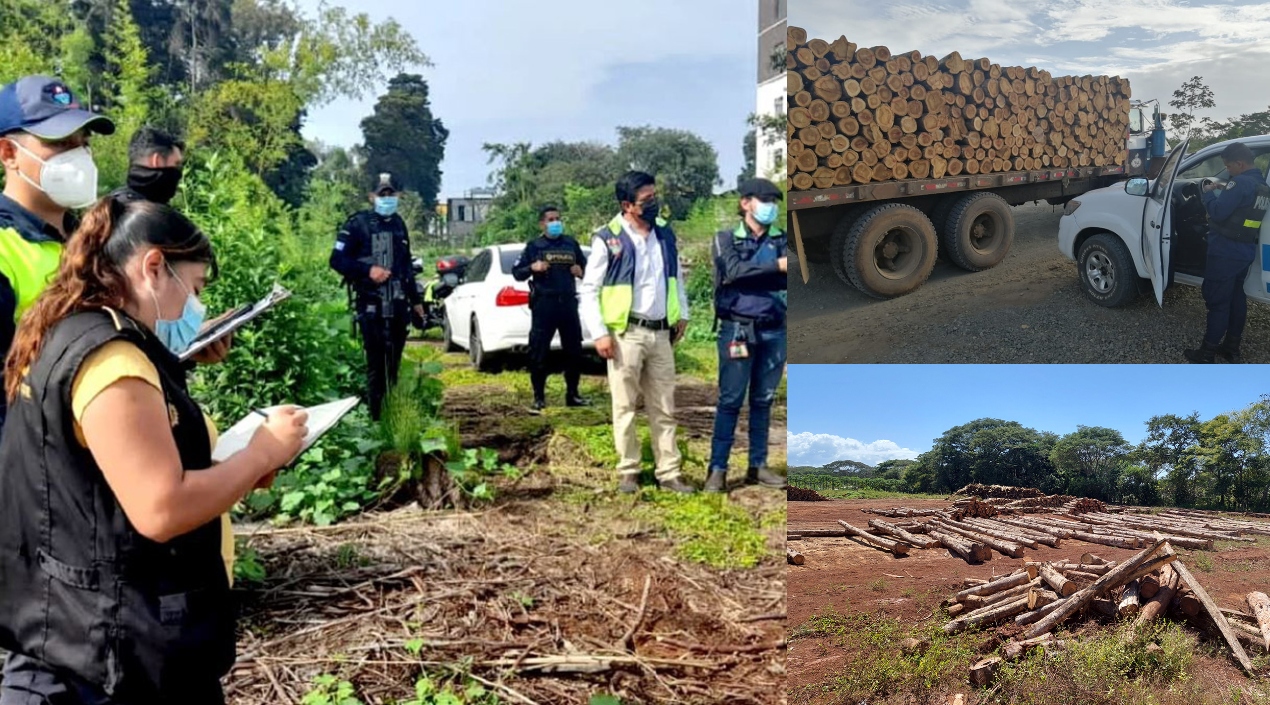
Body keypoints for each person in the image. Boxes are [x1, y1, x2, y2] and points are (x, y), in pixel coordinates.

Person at [0, 195, 309, 704]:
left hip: (75, 634)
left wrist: (231, 467)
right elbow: (162, 507)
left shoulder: (71, 330)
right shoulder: (113, 361)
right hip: (110, 660)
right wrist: (262, 453)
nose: (197, 305)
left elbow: (99, 482)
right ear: (153, 267)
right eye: (195, 288)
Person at [0, 75, 115, 434]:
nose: (79, 155)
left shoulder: (95, 238)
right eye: (61, 143)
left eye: (83, 143)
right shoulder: (5, 248)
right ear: (9, 153)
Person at [580, 171, 694, 494]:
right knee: (625, 406)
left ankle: (669, 472)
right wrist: (599, 333)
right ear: (627, 205)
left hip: (661, 335)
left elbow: (676, 279)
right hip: (625, 334)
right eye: (647, 200)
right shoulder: (608, 238)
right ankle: (629, 470)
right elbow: (589, 291)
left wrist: (682, 312)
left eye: (654, 197)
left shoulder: (664, 234)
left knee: (664, 406)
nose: (654, 203)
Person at [704, 178, 789, 492]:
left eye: (775, 201)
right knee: (729, 401)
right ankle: (717, 469)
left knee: (763, 401)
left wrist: (765, 268)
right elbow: (733, 272)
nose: (771, 206)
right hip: (737, 330)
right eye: (765, 199)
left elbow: (791, 272)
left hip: (775, 331)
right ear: (745, 203)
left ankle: (758, 466)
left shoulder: (782, 239)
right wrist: (775, 267)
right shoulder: (725, 238)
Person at [329, 172, 424, 419]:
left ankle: (391, 416)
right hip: (371, 305)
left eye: (391, 193)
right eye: (382, 194)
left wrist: (417, 303)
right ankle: (375, 419)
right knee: (376, 366)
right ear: (372, 196)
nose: (387, 198)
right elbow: (337, 260)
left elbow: (406, 267)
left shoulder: (399, 224)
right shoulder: (357, 224)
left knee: (393, 364)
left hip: (398, 305)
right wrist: (368, 270)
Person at [1184, 142, 1269, 363]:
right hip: (1244, 251)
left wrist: (1207, 194)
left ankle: (1207, 353)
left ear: (1239, 163)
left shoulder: (1239, 184)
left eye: (1228, 166)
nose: (1228, 170)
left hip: (1224, 251)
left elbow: (1218, 213)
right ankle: (1231, 349)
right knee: (1236, 299)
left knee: (1217, 301)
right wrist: (1224, 188)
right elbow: (1243, 206)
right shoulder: (1260, 185)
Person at [512, 205, 589, 411]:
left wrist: (580, 272)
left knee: (574, 350)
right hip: (544, 304)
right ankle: (539, 397)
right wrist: (532, 268)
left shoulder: (570, 244)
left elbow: (589, 271)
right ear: (542, 223)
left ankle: (573, 394)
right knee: (539, 351)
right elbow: (517, 272)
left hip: (568, 304)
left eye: (558, 219)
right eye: (551, 219)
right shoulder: (534, 246)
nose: (555, 223)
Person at [115, 126, 186, 205]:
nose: (179, 170)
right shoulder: (159, 215)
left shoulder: (110, 205)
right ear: (157, 160)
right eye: (176, 163)